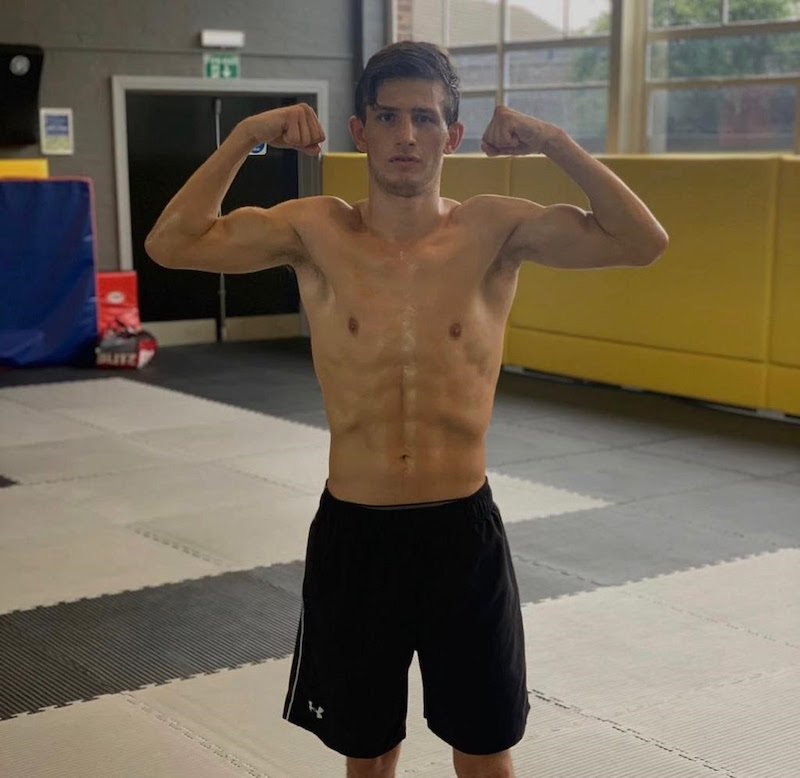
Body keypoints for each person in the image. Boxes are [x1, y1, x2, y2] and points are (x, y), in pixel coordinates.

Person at [145, 40, 668, 778]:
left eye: (425, 118)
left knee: (485, 750)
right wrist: (244, 137)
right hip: (356, 536)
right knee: (367, 752)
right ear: (360, 130)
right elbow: (171, 243)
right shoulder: (316, 230)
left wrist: (553, 140)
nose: (406, 135)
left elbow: (642, 241)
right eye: (388, 117)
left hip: (462, 534)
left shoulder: (493, 230)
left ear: (452, 135)